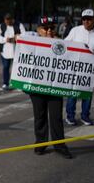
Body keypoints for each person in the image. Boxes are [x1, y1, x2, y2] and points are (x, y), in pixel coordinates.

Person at [29, 16, 73, 159]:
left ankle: (60, 145)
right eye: (45, 28)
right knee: (39, 116)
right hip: (37, 88)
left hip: (55, 87)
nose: (49, 31)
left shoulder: (62, 45)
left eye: (52, 28)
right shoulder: (32, 42)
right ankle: (40, 144)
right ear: (38, 30)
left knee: (56, 117)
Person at [64, 9, 94, 126]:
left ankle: (85, 116)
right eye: (84, 19)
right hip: (75, 67)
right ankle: (70, 116)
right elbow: (65, 44)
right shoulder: (75, 31)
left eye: (89, 19)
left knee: (87, 94)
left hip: (91, 69)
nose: (86, 21)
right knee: (73, 92)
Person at [0, 13, 25, 91]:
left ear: (12, 19)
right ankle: (5, 83)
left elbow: (24, 35)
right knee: (5, 67)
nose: (7, 21)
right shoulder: (1, 26)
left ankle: (18, 84)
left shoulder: (19, 25)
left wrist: (17, 37)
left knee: (17, 68)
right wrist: (5, 39)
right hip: (5, 51)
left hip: (17, 50)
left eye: (9, 20)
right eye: (6, 20)